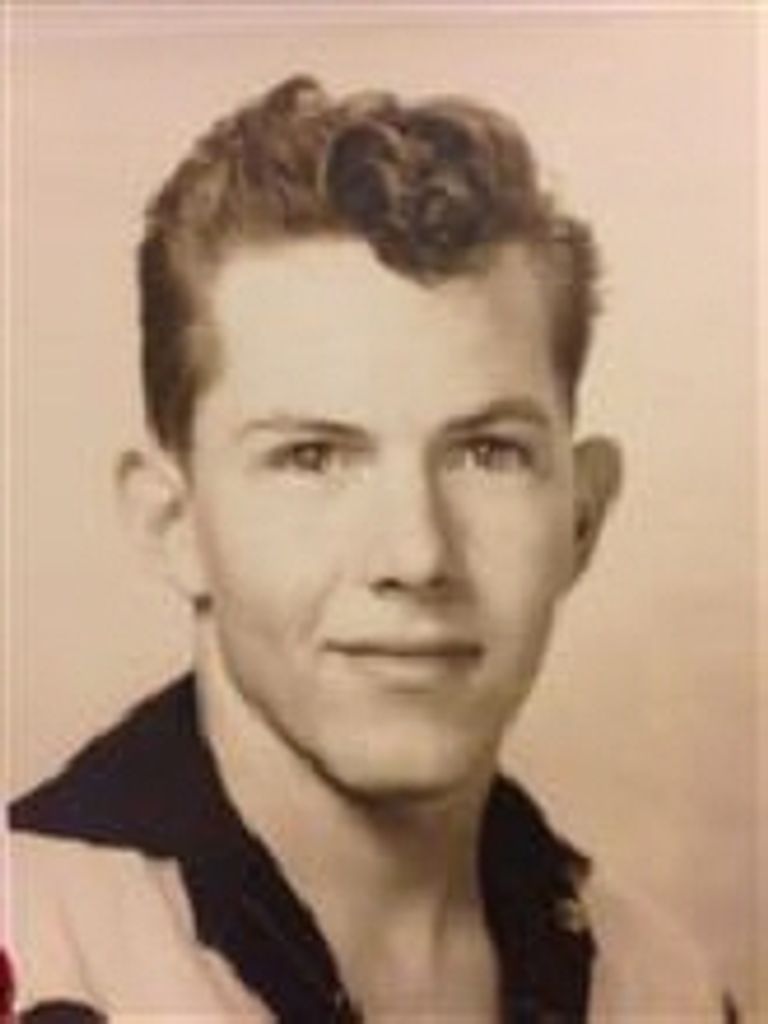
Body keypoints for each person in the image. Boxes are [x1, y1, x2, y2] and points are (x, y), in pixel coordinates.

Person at [9, 75, 727, 1022]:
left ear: (581, 516)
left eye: (486, 453)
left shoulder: (664, 990)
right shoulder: (33, 943)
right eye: (312, 457)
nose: (416, 555)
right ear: (171, 523)